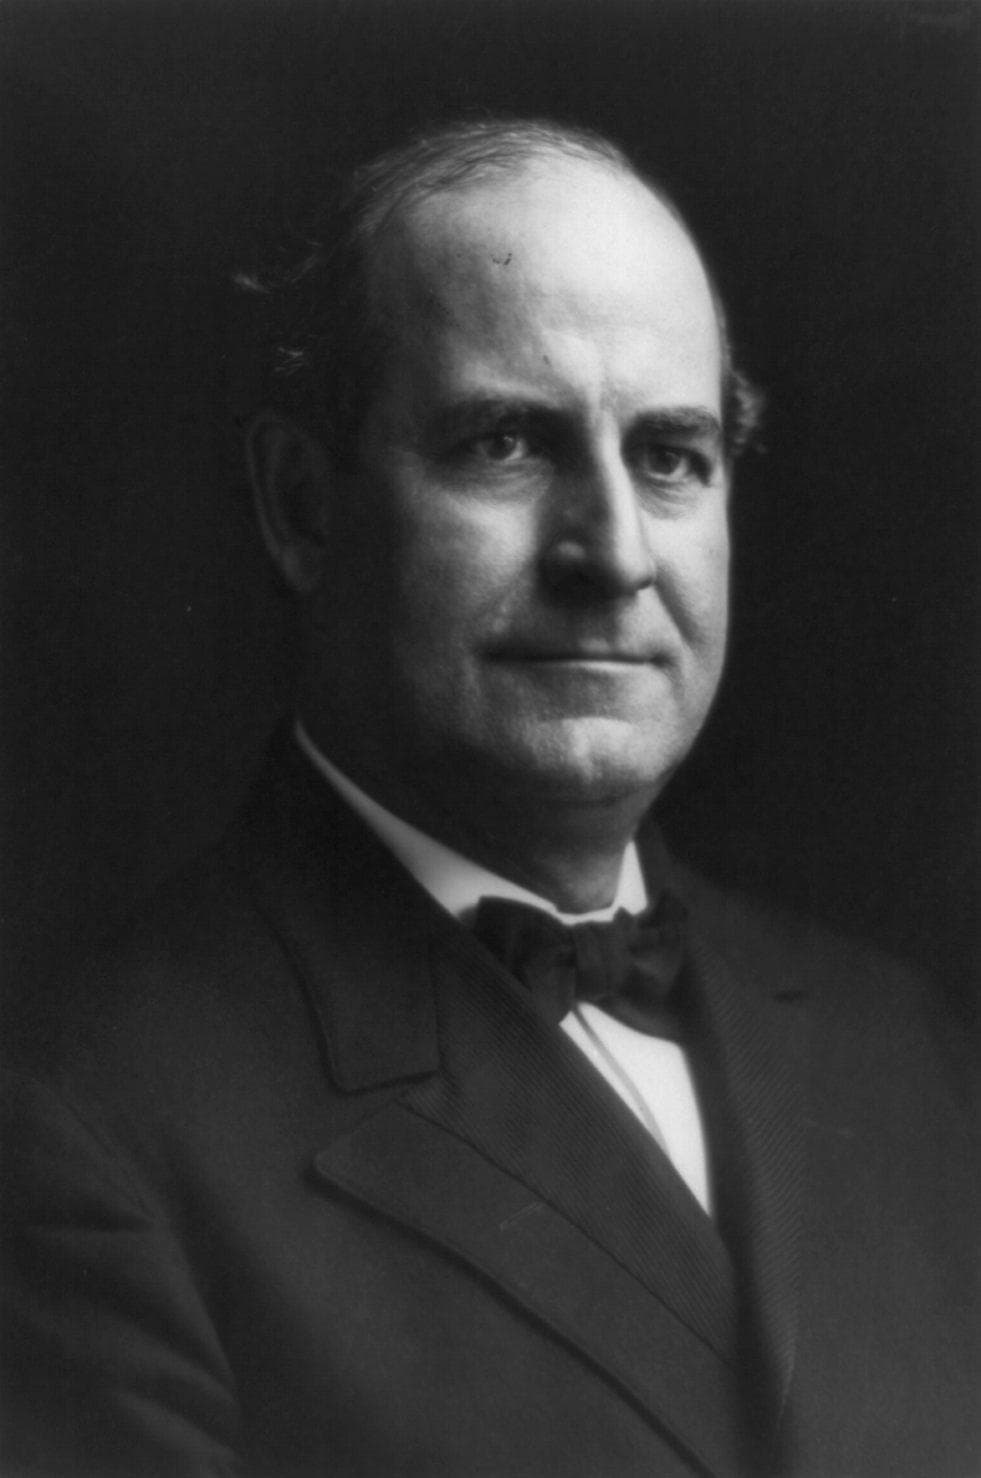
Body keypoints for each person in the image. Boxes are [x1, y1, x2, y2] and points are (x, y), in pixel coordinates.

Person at [1, 118, 975, 1478]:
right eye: (506, 444)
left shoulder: (908, 1052)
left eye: (670, 456)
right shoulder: (88, 1136)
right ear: (301, 506)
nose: (613, 554)